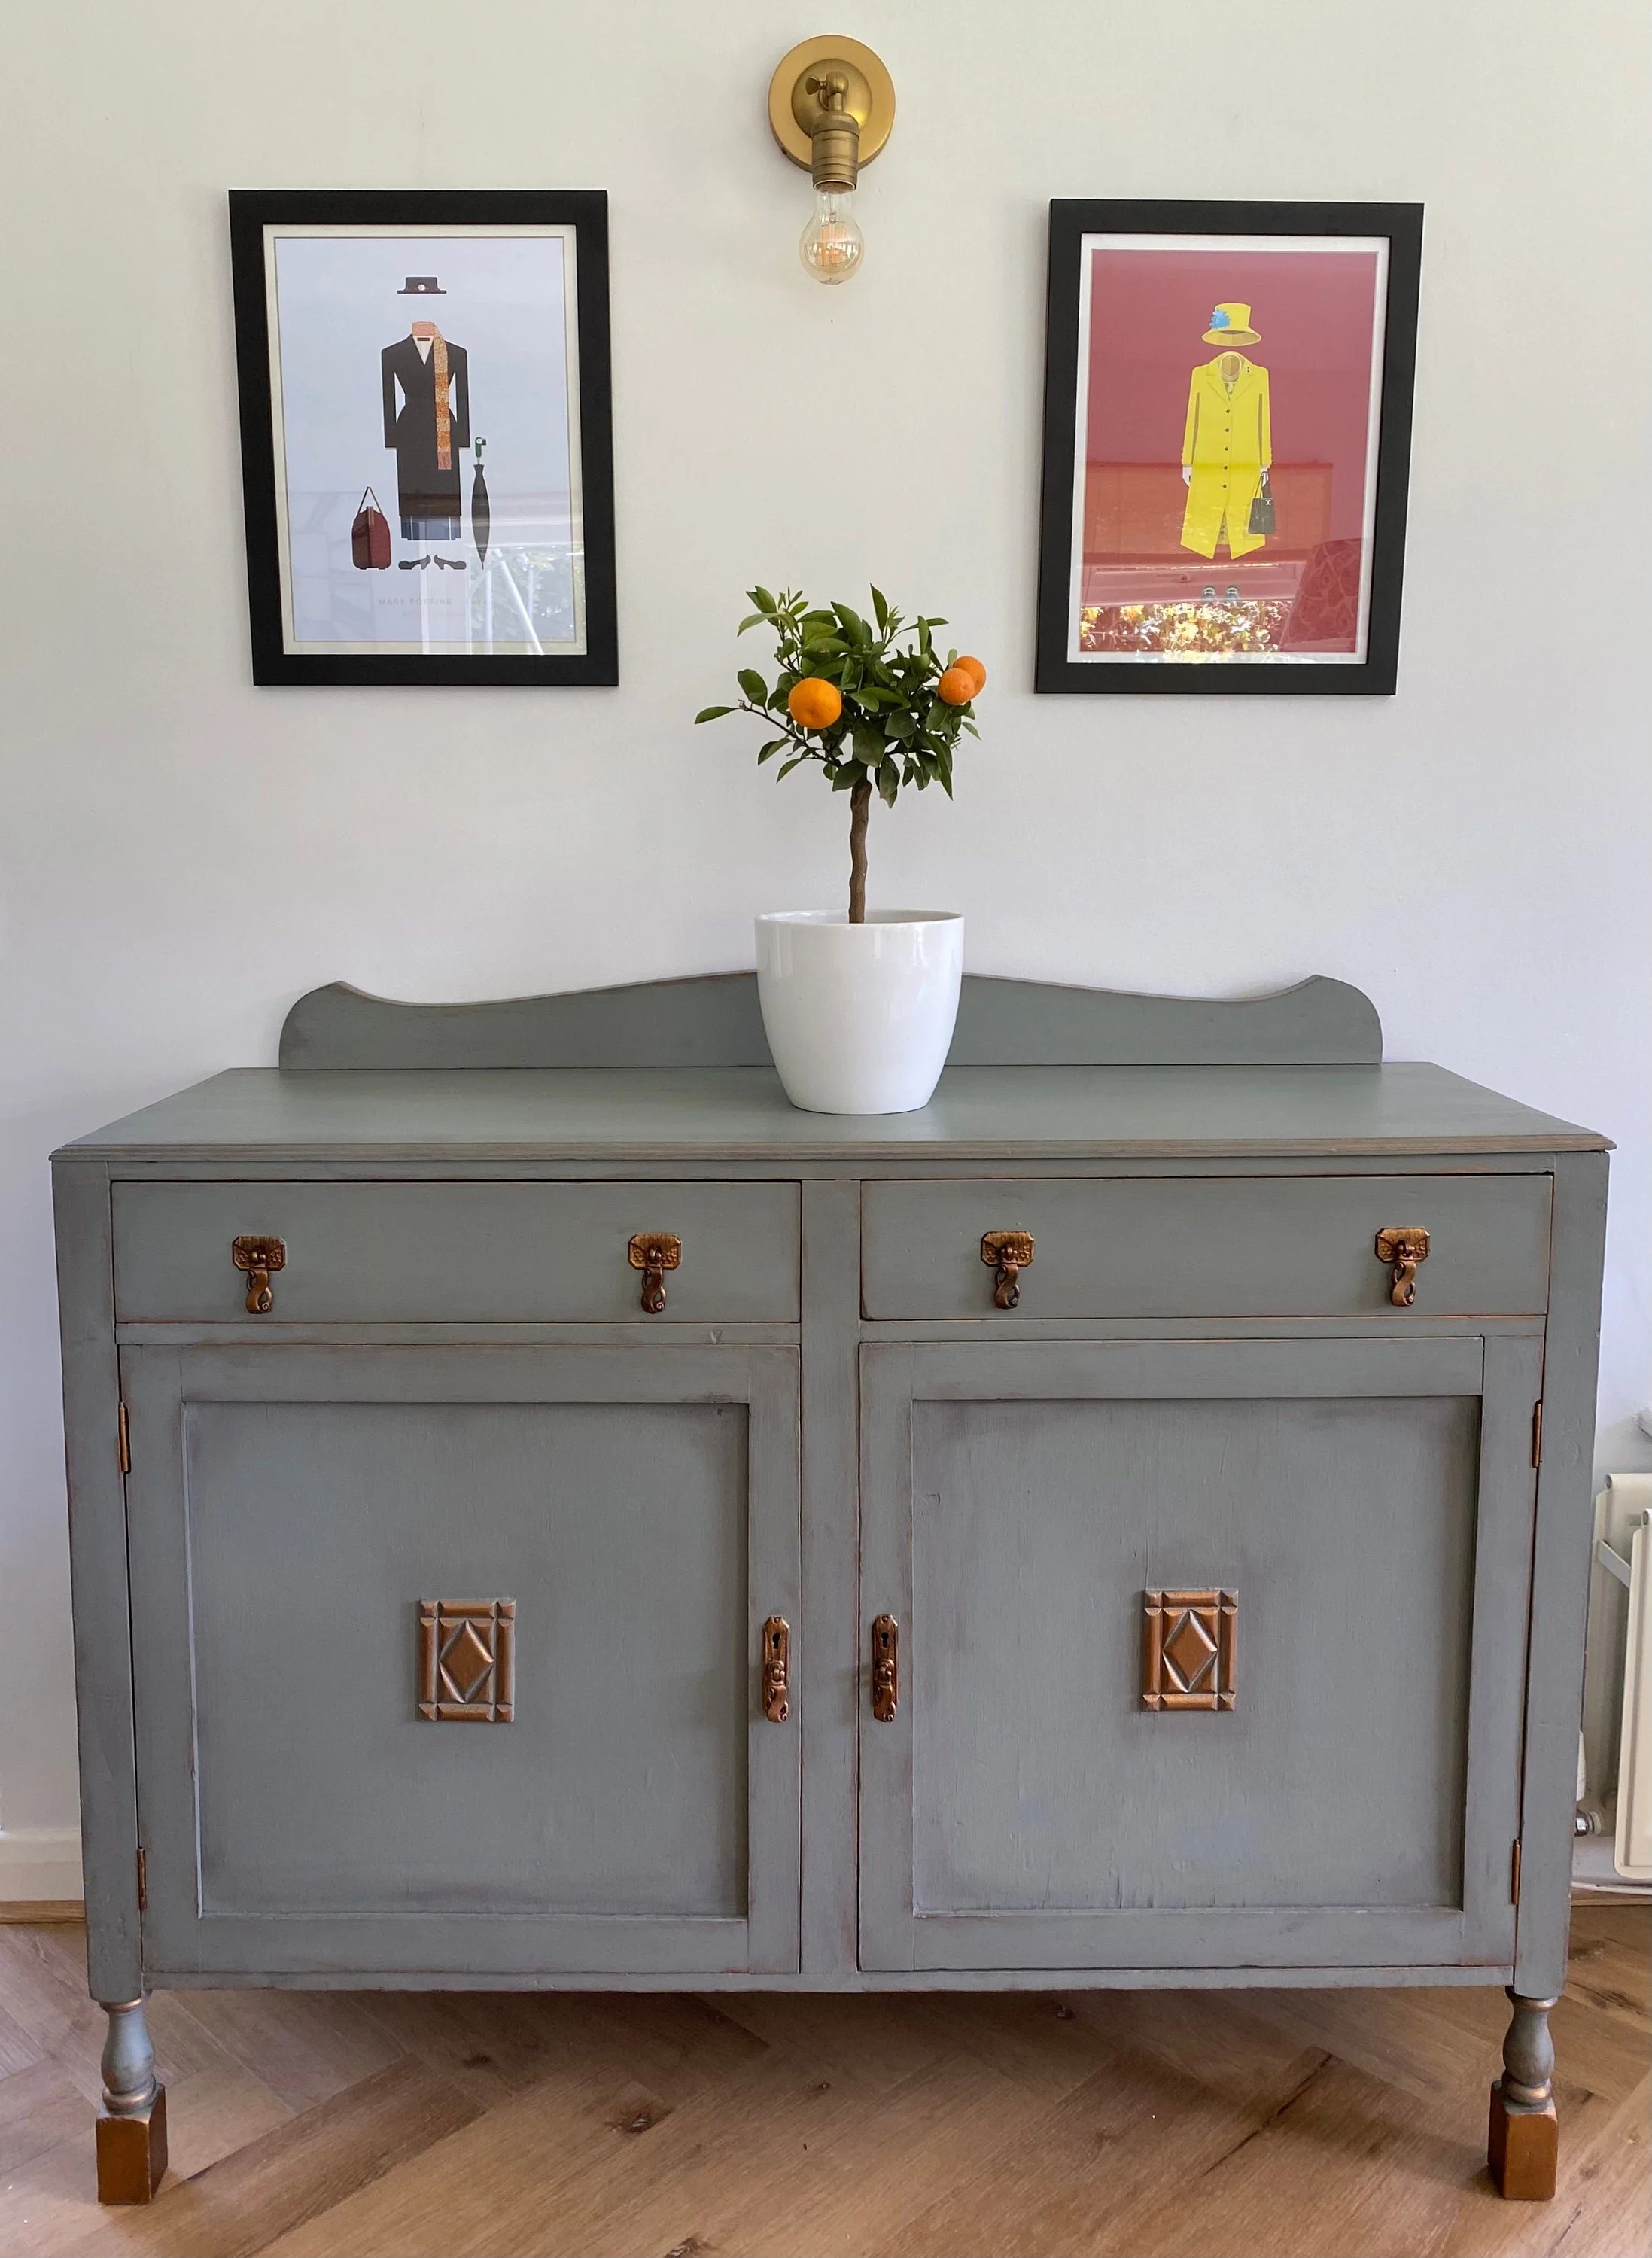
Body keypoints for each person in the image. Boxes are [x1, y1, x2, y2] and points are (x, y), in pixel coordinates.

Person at [382, 277, 471, 571]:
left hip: (444, 428)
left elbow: (463, 398)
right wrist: (391, 436)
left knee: (444, 488)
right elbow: (388, 398)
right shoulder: (392, 354)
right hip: (409, 429)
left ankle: (445, 549)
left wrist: (463, 437)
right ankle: (417, 548)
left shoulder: (456, 353)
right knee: (413, 485)